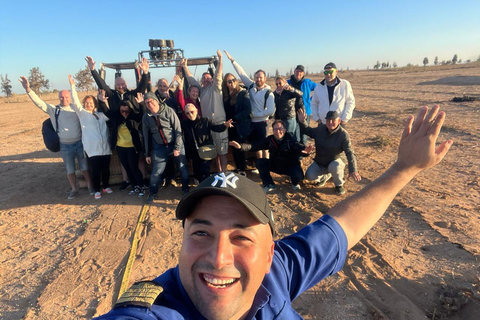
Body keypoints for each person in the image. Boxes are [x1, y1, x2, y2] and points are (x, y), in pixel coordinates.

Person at [94, 105, 452, 320]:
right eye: (201, 233)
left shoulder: (276, 272)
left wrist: (404, 169)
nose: (219, 258)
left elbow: (341, 226)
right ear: (183, 242)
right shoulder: (153, 310)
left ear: (270, 253)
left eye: (241, 236)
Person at [19, 76, 93, 200]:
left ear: (70, 97)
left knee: (85, 167)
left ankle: (90, 187)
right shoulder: (54, 110)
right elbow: (39, 103)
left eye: (67, 97)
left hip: (80, 143)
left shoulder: (76, 109)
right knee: (70, 170)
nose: (64, 99)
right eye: (62, 97)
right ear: (59, 98)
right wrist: (28, 90)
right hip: (65, 146)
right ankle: (74, 189)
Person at [86, 55, 150, 191]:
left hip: (134, 129)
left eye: (123, 84)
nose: (121, 86)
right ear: (115, 86)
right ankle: (128, 180)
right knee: (124, 160)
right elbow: (101, 85)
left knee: (138, 158)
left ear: (126, 84)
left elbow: (143, 86)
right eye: (118, 84)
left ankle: (142, 180)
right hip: (118, 128)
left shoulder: (132, 94)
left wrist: (145, 72)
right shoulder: (112, 94)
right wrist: (93, 70)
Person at [230, 120, 311, 192]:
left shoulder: (291, 140)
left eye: (280, 129)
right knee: (260, 162)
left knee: (299, 176)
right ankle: (269, 184)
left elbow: (299, 147)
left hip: (289, 167)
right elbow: (255, 145)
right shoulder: (270, 140)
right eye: (275, 129)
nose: (278, 131)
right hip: (275, 165)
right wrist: (241, 147)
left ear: (285, 130)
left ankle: (294, 183)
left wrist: (305, 152)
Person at [181, 50, 228, 173]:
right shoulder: (201, 91)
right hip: (207, 126)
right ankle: (218, 173)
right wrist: (185, 67)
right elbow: (191, 80)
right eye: (204, 79)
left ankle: (223, 174)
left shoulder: (216, 89)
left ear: (212, 80)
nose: (206, 80)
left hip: (219, 123)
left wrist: (220, 60)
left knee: (222, 152)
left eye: (208, 79)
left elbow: (218, 74)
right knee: (212, 152)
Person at [224, 50, 275, 163]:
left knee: (263, 145)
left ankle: (265, 165)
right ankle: (260, 164)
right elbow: (242, 74)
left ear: (264, 78)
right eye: (256, 77)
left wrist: (256, 114)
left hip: (262, 123)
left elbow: (270, 110)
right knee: (255, 145)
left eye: (260, 77)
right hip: (251, 122)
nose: (258, 79)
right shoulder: (251, 86)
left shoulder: (269, 93)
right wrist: (232, 60)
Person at [298, 108, 361, 195]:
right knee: (310, 176)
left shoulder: (343, 135)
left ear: (339, 120)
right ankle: (326, 176)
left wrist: (353, 170)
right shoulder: (321, 129)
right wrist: (302, 121)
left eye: (333, 120)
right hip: (320, 161)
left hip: (335, 160)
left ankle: (339, 185)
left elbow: (349, 152)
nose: (330, 122)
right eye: (328, 120)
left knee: (335, 166)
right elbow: (308, 131)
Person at [69, 75, 112, 200]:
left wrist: (104, 101)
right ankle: (97, 190)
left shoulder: (101, 115)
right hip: (92, 149)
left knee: (106, 169)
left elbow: (110, 115)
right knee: (96, 170)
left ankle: (106, 186)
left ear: (95, 104)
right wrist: (73, 86)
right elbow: (76, 103)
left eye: (91, 103)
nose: (89, 105)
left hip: (105, 147)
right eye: (87, 103)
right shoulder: (83, 114)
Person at [142, 92, 189, 202]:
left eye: (151, 101)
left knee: (182, 168)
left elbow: (178, 130)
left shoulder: (168, 111)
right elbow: (146, 136)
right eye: (147, 103)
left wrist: (177, 148)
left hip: (174, 143)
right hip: (159, 147)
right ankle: (153, 193)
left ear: (156, 100)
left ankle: (185, 190)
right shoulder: (146, 117)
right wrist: (147, 153)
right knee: (156, 172)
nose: (149, 104)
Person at [98, 91, 146, 197]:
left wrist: (141, 103)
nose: (124, 113)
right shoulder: (116, 117)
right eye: (122, 111)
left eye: (126, 111)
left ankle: (141, 186)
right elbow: (106, 111)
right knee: (127, 168)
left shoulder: (134, 117)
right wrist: (101, 102)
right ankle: (135, 186)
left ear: (130, 109)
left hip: (132, 148)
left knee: (134, 168)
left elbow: (143, 114)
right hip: (120, 148)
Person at [181, 103, 233, 183]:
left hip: (206, 150)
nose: (190, 114)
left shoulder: (205, 121)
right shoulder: (185, 123)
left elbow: (216, 128)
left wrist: (225, 125)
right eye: (187, 113)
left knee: (205, 170)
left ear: (196, 111)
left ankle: (205, 187)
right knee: (197, 171)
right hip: (194, 152)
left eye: (192, 112)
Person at [222, 73, 251, 175]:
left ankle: (242, 169)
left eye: (234, 80)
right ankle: (238, 168)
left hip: (240, 125)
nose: (232, 83)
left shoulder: (242, 93)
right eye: (229, 81)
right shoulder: (225, 96)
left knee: (240, 147)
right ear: (226, 83)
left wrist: (234, 118)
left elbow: (247, 110)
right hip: (230, 126)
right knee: (233, 147)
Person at [287, 64, 317, 144]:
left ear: (303, 73)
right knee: (294, 134)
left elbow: (318, 89)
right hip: (292, 112)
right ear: (294, 71)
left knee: (304, 132)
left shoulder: (307, 82)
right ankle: (296, 153)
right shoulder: (288, 83)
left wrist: (310, 100)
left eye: (301, 72)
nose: (298, 73)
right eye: (297, 71)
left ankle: (302, 152)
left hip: (304, 111)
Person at [273, 76, 304, 140]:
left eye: (280, 83)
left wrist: (292, 89)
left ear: (285, 82)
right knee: (282, 138)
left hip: (289, 118)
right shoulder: (275, 93)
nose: (278, 85)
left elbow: (300, 94)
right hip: (279, 119)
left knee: (290, 137)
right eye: (276, 84)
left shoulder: (289, 91)